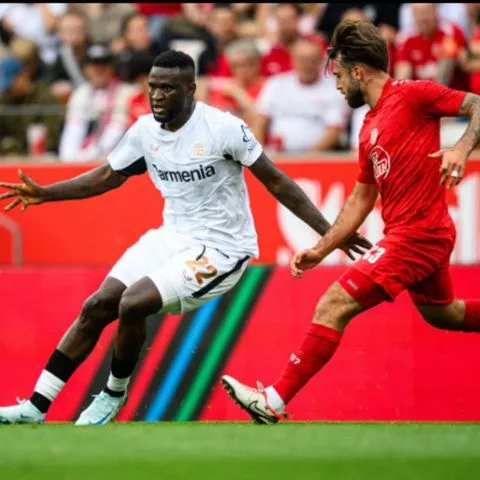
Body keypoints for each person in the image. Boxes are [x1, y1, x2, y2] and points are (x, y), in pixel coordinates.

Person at [0, 50, 369, 425]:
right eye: (153, 87)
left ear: (190, 89)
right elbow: (106, 177)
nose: (157, 96)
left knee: (131, 303)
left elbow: (277, 181)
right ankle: (34, 407)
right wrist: (48, 192)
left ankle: (112, 394)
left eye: (168, 89)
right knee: (98, 305)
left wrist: (331, 232)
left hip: (223, 249)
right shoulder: (144, 131)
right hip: (171, 235)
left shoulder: (224, 128)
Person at [222, 20, 480, 425]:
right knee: (442, 313)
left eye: (339, 75)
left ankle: (272, 399)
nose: (338, 86)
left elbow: (476, 104)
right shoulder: (369, 127)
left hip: (418, 235)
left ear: (358, 71)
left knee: (333, 304)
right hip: (415, 233)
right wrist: (321, 248)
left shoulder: (413, 95)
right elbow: (362, 197)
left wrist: (462, 148)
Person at [254, 38, 349, 153]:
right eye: (302, 60)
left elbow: (334, 130)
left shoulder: (334, 88)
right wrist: (260, 154)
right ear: (293, 60)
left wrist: (306, 158)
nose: (308, 65)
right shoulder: (276, 84)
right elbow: (259, 122)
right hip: (277, 156)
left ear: (321, 61)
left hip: (317, 158)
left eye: (312, 60)